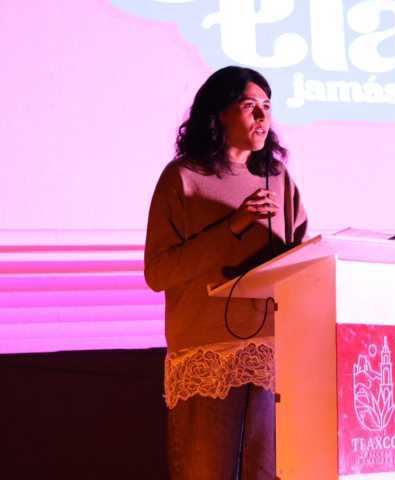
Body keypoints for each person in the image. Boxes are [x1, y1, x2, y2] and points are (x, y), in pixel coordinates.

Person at [143, 66, 308, 479]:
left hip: (270, 352)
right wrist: (232, 226)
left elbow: (301, 259)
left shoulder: (277, 178)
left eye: (267, 105)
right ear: (218, 113)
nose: (263, 116)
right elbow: (158, 273)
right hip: (208, 352)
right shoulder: (184, 177)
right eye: (250, 105)